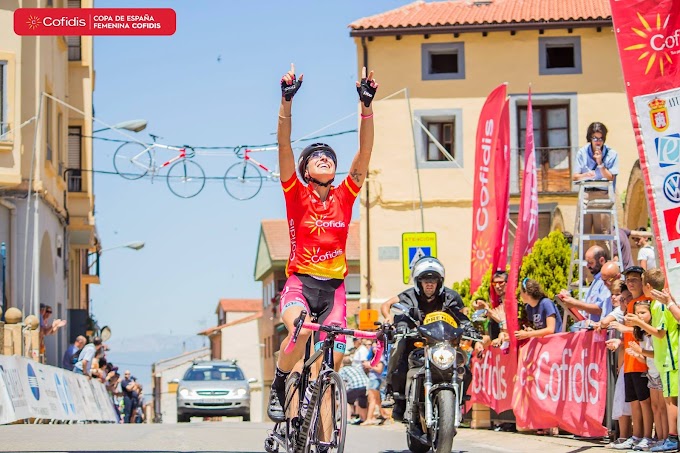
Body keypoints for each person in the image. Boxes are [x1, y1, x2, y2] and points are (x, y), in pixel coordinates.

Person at [267, 64, 379, 423]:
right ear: (304, 169)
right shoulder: (295, 194)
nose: (326, 158)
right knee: (298, 333)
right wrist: (286, 102)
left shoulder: (345, 195)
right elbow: (283, 143)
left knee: (331, 370)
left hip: (335, 290)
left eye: (330, 156)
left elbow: (365, 152)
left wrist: (366, 106)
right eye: (317, 155)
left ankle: (325, 440)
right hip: (300, 283)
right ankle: (281, 379)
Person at [379, 256, 480, 421]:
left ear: (440, 282)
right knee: (399, 346)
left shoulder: (450, 296)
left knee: (463, 362)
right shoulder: (409, 295)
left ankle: (460, 399)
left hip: (443, 341)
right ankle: (391, 389)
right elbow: (387, 305)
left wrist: (469, 328)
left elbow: (461, 316)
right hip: (415, 339)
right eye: (425, 279)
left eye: (433, 279)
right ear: (418, 281)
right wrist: (389, 319)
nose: (429, 283)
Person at [604, 266, 653, 450]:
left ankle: (648, 436)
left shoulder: (646, 302)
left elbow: (642, 331)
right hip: (630, 361)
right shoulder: (631, 304)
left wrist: (624, 328)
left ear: (642, 281)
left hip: (642, 361)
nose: (631, 283)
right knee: (634, 402)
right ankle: (636, 435)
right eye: (628, 280)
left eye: (634, 279)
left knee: (645, 403)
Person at [625, 300, 667, 451]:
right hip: (651, 373)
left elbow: (657, 354)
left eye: (642, 313)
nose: (639, 316)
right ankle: (658, 438)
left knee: (662, 407)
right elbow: (646, 359)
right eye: (637, 313)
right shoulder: (641, 333)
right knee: (655, 407)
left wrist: (640, 351)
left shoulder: (655, 333)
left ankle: (664, 437)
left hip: (660, 372)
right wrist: (637, 354)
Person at [573, 122, 620, 235]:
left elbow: (611, 177)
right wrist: (586, 175)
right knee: (584, 233)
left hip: (603, 195)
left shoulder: (612, 154)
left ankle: (605, 253)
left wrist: (600, 164)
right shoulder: (582, 152)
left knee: (603, 234)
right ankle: (583, 253)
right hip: (586, 194)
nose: (598, 141)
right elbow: (575, 177)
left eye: (601, 138)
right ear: (590, 138)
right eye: (595, 138)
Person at [557, 245, 612, 329]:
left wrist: (575, 303)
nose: (587, 266)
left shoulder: (605, 281)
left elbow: (599, 309)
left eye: (590, 262)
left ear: (601, 260)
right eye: (587, 262)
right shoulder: (595, 280)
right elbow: (587, 305)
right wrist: (570, 299)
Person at [338, 356, 368, 425]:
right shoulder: (357, 368)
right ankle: (363, 418)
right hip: (366, 385)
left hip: (356, 386)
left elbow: (341, 381)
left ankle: (348, 418)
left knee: (347, 400)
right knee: (362, 401)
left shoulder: (343, 369)